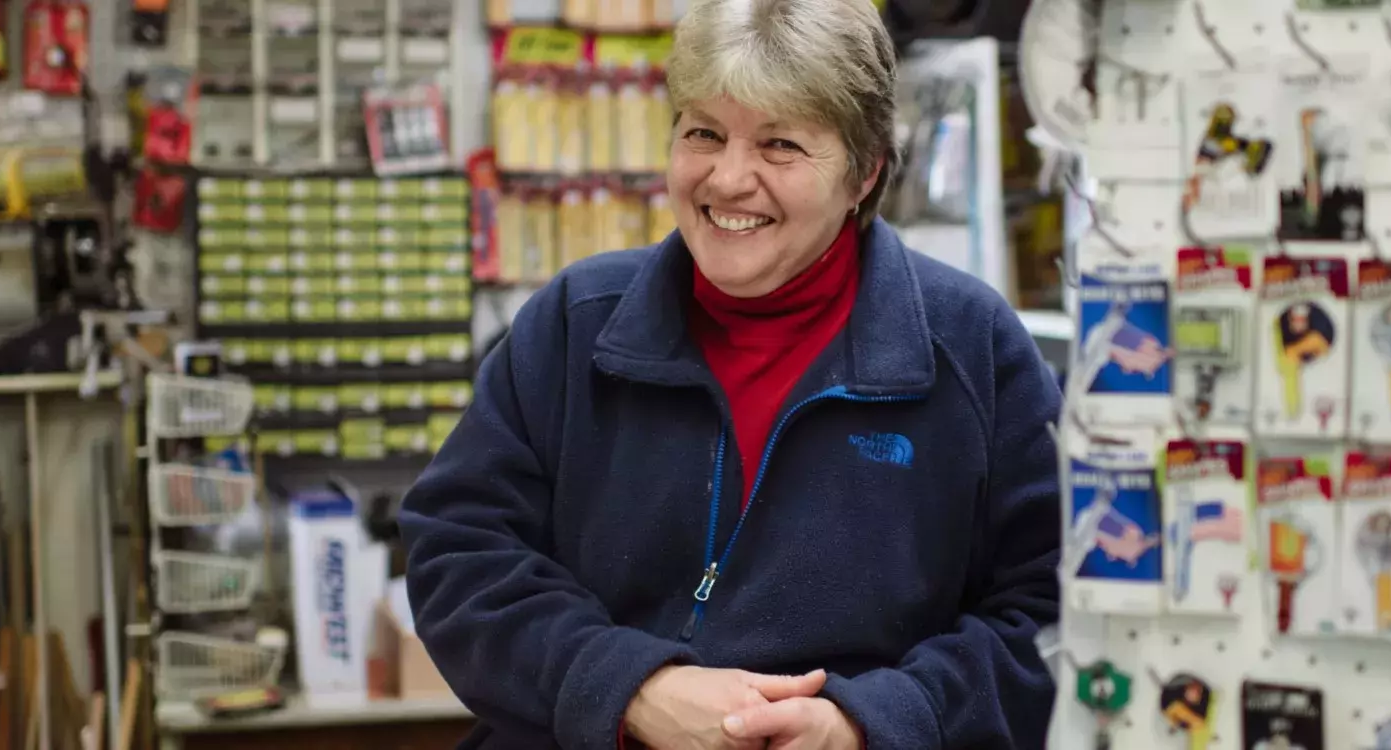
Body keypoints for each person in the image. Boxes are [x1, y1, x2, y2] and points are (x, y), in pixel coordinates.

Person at [397, 0, 1061, 745]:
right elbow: (457, 556)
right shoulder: (574, 323)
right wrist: (630, 688)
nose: (727, 178)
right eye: (702, 134)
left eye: (779, 145)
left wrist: (872, 722)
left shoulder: (971, 348)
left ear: (863, 173)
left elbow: (1052, 611)